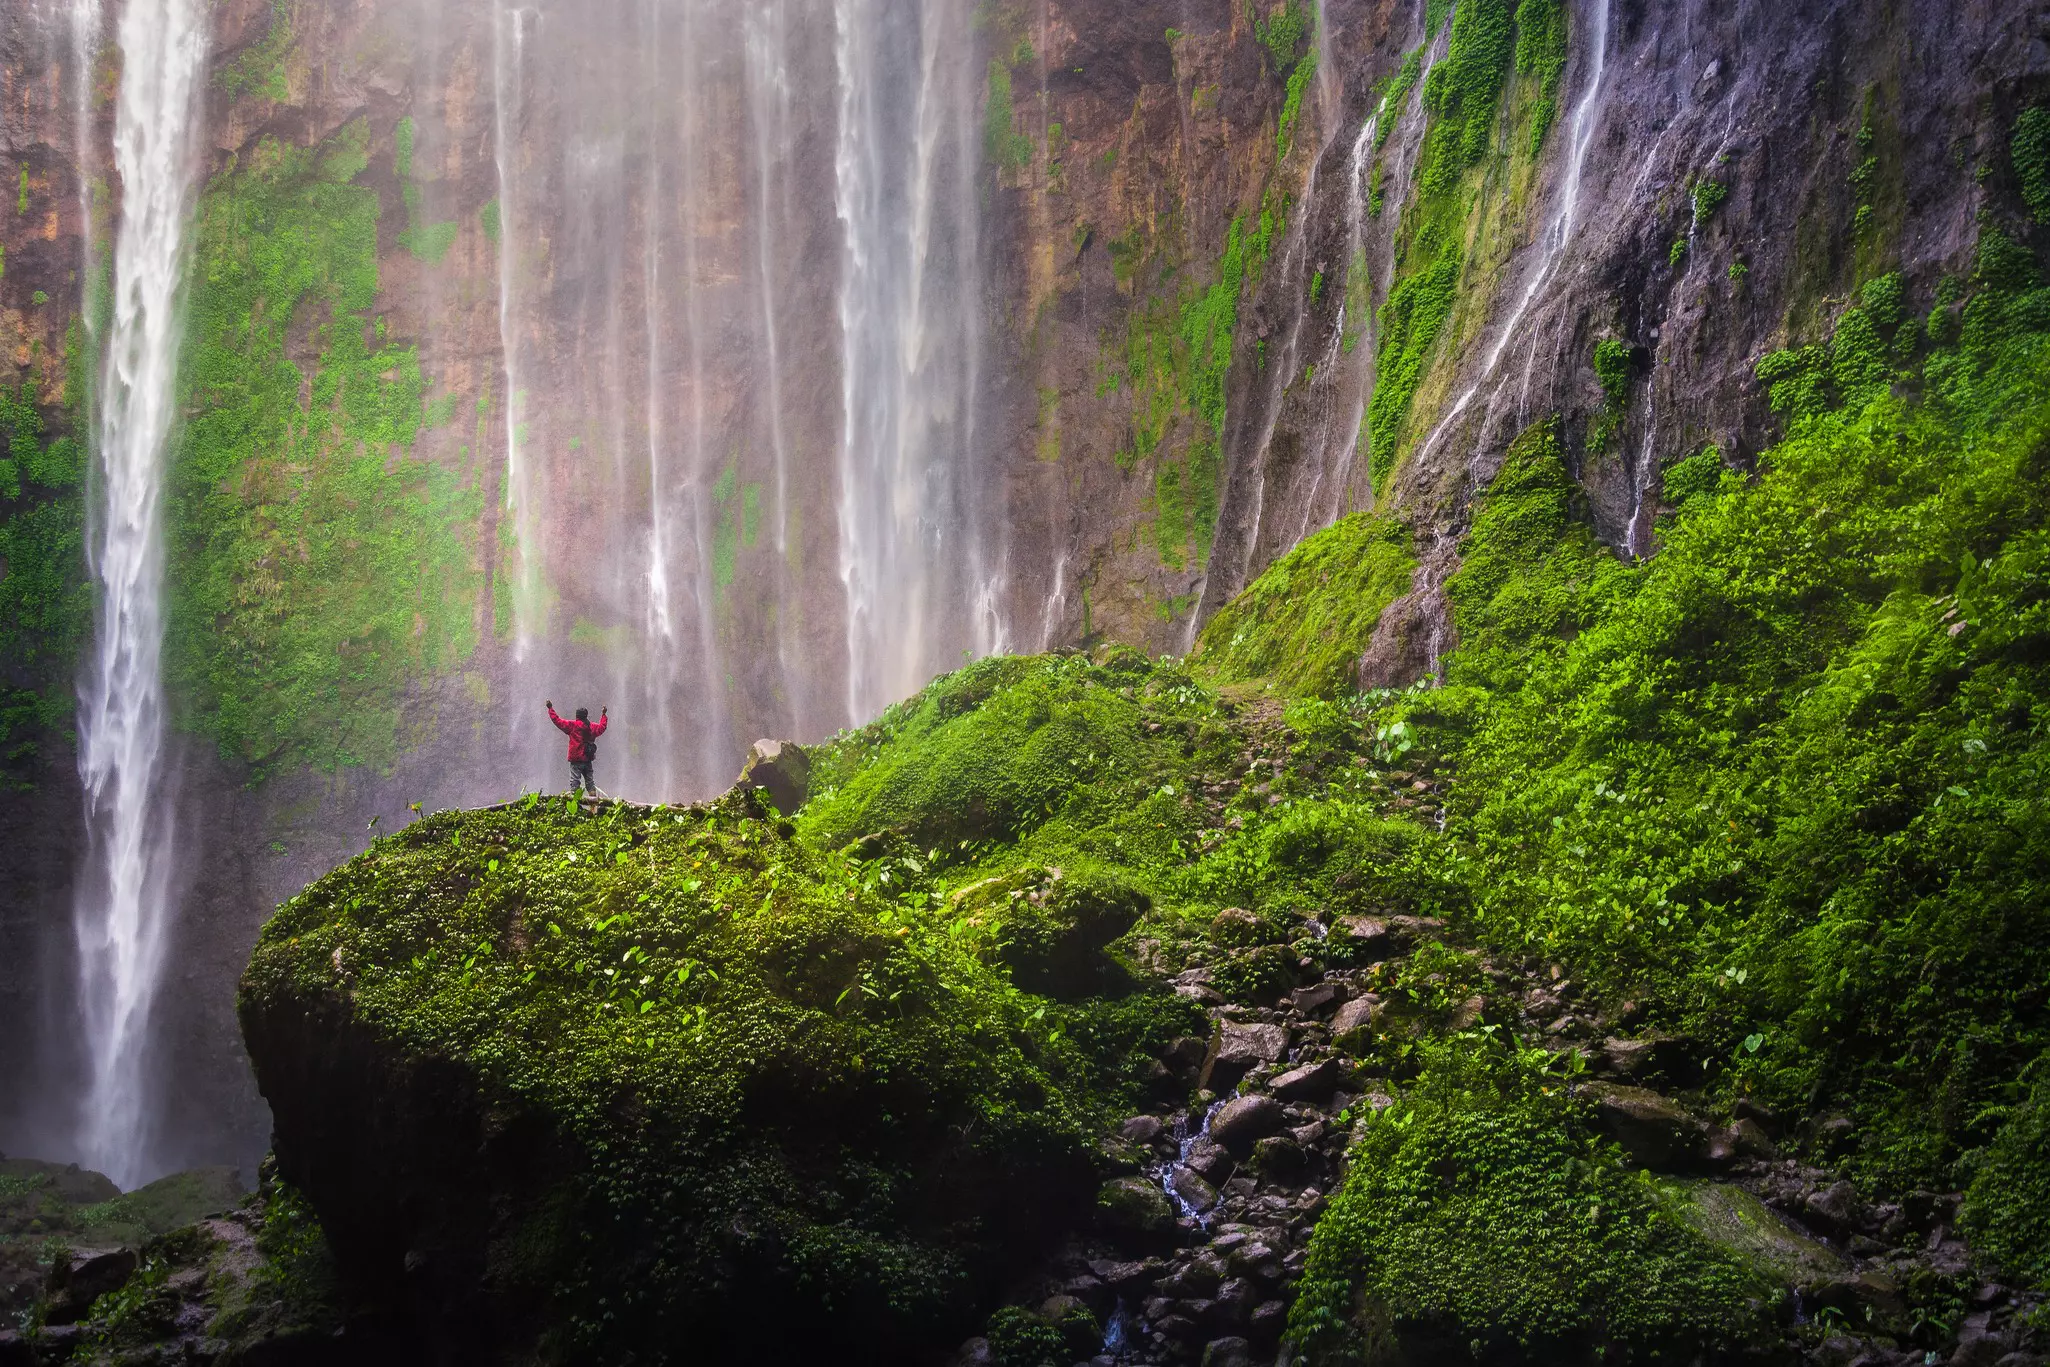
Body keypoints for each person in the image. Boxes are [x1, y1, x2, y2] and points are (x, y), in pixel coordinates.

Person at [547, 700, 608, 796]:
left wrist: (550, 709)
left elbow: (557, 721)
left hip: (576, 760)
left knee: (575, 782)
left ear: (577, 716)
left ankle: (575, 805)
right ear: (586, 716)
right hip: (588, 759)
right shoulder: (592, 727)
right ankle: (593, 807)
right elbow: (602, 727)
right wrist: (604, 715)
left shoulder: (572, 725)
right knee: (590, 782)